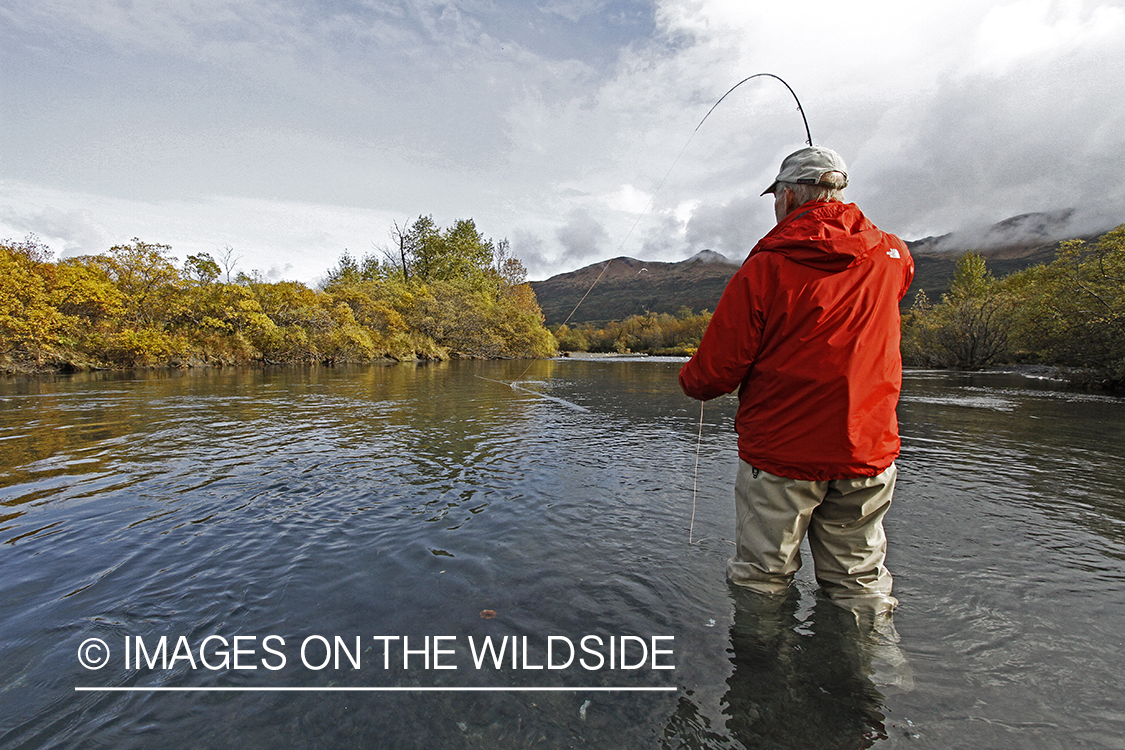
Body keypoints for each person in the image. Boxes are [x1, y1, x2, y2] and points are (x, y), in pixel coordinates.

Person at [679, 146, 914, 616]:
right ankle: (877, 674)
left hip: (782, 455)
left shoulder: (765, 266)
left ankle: (760, 678)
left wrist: (689, 379)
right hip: (866, 451)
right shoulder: (894, 255)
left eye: (775, 196)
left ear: (787, 198)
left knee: (762, 581)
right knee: (860, 581)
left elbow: (713, 375)